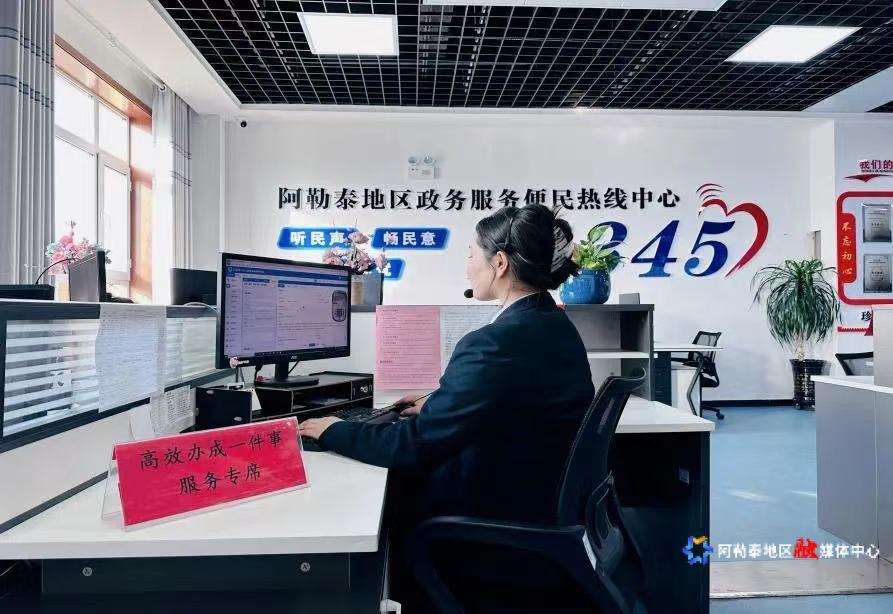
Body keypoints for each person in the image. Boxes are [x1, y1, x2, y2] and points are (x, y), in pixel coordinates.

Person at [300, 204, 595, 611]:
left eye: (471, 255)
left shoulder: (496, 342)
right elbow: (507, 401)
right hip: (534, 503)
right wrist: (438, 404)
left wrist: (334, 429)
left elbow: (415, 446)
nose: (467, 266)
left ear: (500, 263)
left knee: (380, 502)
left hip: (491, 520)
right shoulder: (552, 324)